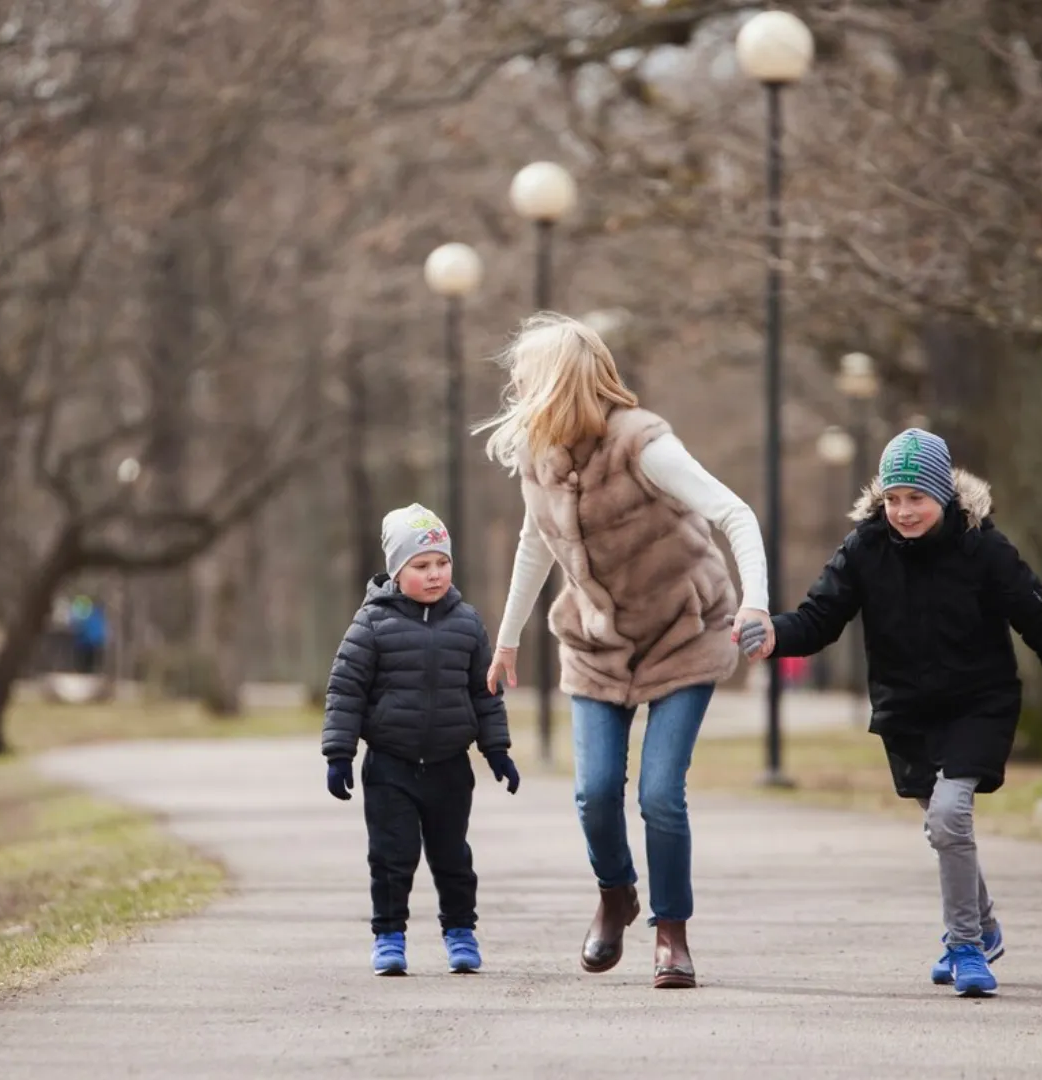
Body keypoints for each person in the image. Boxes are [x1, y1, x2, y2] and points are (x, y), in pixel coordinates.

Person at [747, 427, 1042, 997]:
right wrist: (774, 634)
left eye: (915, 498)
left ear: (943, 494)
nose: (902, 512)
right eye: (892, 499)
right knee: (943, 827)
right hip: (907, 711)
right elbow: (820, 618)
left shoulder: (984, 549)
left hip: (979, 703)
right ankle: (986, 924)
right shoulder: (865, 548)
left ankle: (965, 944)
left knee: (949, 815)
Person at [478, 313, 771, 989]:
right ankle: (616, 893)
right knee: (595, 792)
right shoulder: (537, 452)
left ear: (559, 381)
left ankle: (671, 933)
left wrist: (754, 600)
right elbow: (534, 543)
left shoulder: (642, 444)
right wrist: (508, 638)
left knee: (662, 794)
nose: (518, 388)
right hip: (596, 643)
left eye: (526, 376)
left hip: (682, 633)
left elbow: (735, 514)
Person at [322, 503, 520, 977]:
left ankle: (460, 932)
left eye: (442, 563)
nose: (435, 574)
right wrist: (339, 754)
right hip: (391, 765)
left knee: (454, 857)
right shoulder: (370, 626)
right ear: (396, 571)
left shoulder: (467, 623)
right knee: (392, 857)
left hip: (451, 766)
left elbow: (484, 692)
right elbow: (345, 691)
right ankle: (389, 936)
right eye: (421, 565)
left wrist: (497, 749)